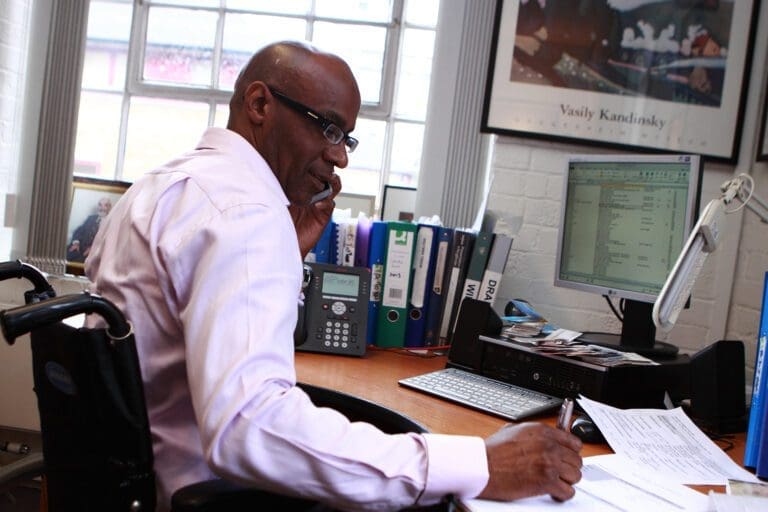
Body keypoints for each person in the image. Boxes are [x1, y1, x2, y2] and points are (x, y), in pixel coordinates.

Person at [85, 41, 582, 511]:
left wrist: (285, 254)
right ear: (259, 103)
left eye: (346, 138)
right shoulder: (245, 213)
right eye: (327, 127)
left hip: (126, 483)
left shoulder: (159, 187)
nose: (340, 155)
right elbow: (248, 426)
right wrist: (478, 463)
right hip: (195, 494)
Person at [66, 196, 112, 262]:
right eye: (100, 205)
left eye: (106, 205)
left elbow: (109, 242)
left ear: (110, 207)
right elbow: (79, 231)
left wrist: (93, 249)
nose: (102, 208)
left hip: (96, 253)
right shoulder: (91, 218)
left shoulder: (111, 222)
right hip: (79, 247)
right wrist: (76, 243)